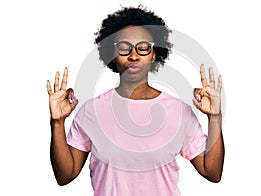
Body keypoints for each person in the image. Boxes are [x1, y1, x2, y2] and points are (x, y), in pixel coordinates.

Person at [46, 5, 224, 196]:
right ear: (112, 55)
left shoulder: (178, 111)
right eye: (124, 48)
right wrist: (57, 123)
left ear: (154, 54)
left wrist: (215, 118)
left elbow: (212, 172)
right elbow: (65, 176)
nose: (133, 55)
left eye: (143, 48)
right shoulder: (92, 111)